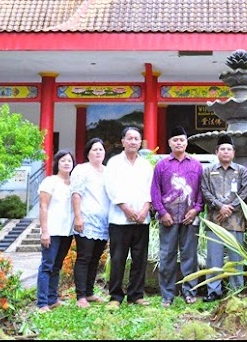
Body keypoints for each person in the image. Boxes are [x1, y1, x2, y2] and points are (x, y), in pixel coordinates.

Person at [150, 126, 204, 307]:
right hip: (168, 220)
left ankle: (190, 292)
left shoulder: (196, 165)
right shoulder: (162, 165)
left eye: (182, 140)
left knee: (190, 256)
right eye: (175, 140)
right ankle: (167, 295)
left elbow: (201, 192)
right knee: (167, 256)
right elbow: (155, 191)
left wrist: (196, 209)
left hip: (190, 219)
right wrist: (162, 212)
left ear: (187, 142)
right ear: (169, 143)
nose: (179, 143)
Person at [104, 127, 154, 308]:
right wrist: (126, 209)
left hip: (142, 219)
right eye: (130, 138)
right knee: (118, 258)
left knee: (140, 258)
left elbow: (151, 189)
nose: (133, 142)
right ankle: (115, 296)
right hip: (119, 219)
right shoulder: (114, 163)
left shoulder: (146, 165)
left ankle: (136, 295)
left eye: (136, 139)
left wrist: (144, 210)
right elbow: (111, 188)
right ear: (123, 141)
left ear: (140, 142)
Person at [200, 134, 247, 302]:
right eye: (223, 149)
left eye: (229, 149)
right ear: (217, 152)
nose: (226, 152)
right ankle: (214, 291)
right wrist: (219, 206)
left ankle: (237, 289)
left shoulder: (241, 171)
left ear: (233, 152)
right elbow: (205, 191)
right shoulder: (208, 171)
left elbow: (244, 192)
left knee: (236, 257)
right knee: (214, 258)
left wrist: (229, 208)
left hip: (236, 221)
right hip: (215, 220)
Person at [71, 138, 110, 308]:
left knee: (95, 259)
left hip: (103, 223)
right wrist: (78, 216)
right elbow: (76, 194)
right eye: (95, 149)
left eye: (101, 149)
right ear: (88, 153)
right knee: (84, 257)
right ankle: (80, 296)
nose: (98, 152)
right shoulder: (81, 170)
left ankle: (90, 292)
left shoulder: (108, 171)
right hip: (86, 221)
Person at [36, 149, 76, 312]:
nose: (67, 163)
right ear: (57, 164)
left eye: (69, 160)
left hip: (67, 231)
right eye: (63, 160)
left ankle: (53, 299)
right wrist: (45, 231)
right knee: (47, 265)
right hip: (52, 231)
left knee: (57, 266)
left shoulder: (74, 182)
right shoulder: (50, 181)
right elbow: (43, 206)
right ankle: (42, 302)